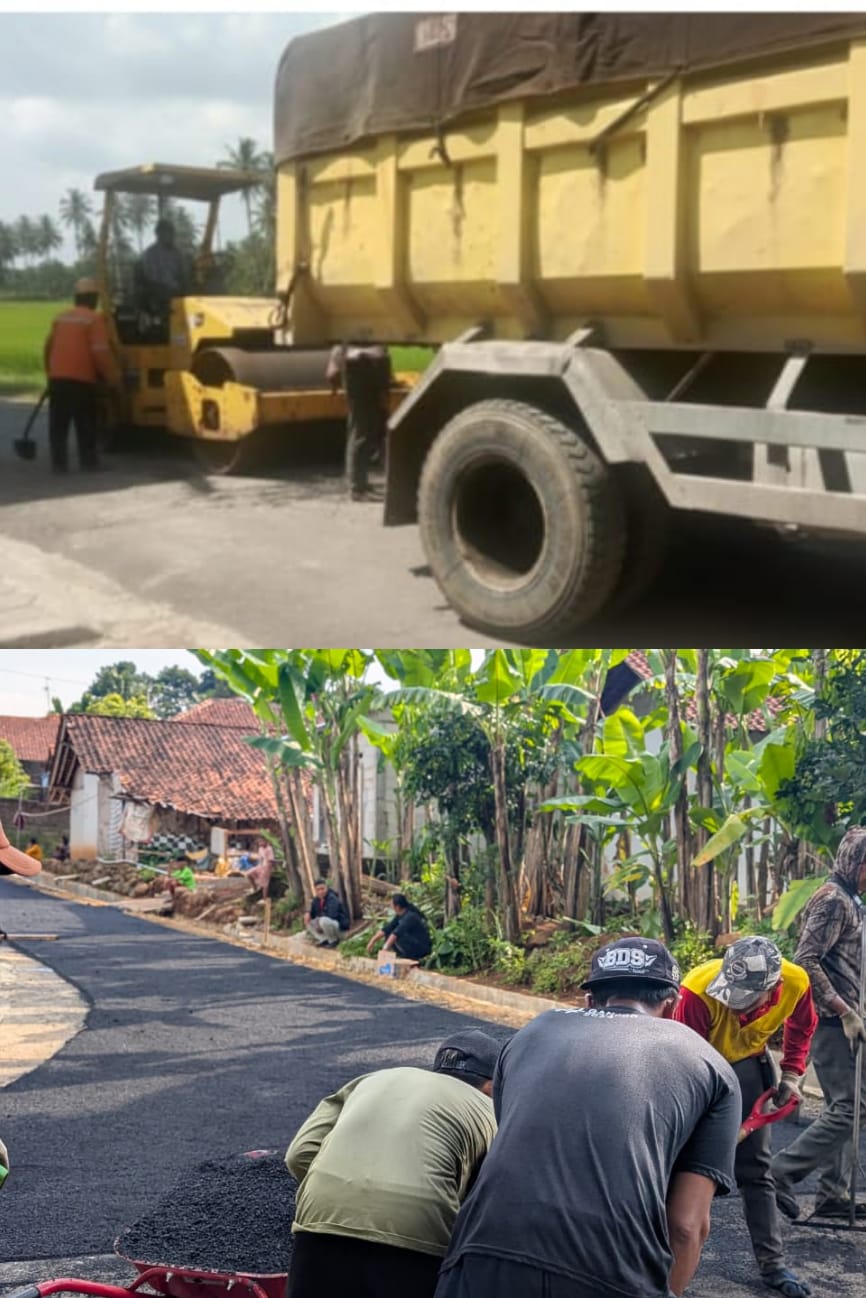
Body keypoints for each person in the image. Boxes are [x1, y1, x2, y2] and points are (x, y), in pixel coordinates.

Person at [434, 937, 740, 1298]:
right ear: (672, 1007)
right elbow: (687, 1226)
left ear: (589, 1001)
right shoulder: (710, 1066)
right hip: (611, 1272)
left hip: (481, 1258)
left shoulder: (528, 1035)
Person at [285, 1028, 501, 1298]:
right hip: (416, 1232)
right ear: (492, 1085)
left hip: (322, 1219)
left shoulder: (371, 1080)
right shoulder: (489, 1109)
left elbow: (299, 1153)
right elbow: (497, 1189)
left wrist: (345, 1190)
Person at [674, 935, 816, 1298]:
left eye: (746, 1000)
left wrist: (792, 1073)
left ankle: (773, 1265)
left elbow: (802, 1027)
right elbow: (685, 1061)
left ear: (774, 988)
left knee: (756, 1170)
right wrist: (710, 1129)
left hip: (749, 1065)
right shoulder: (697, 991)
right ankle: (658, 1257)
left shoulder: (796, 981)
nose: (735, 1007)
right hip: (697, 1067)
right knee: (678, 1166)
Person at [772, 826, 866, 1220]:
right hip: (830, 1021)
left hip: (848, 1018)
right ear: (855, 863)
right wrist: (843, 1010)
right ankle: (779, 1172)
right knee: (846, 1108)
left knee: (853, 1107)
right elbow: (804, 960)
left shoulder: (851, 898)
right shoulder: (832, 900)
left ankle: (832, 1195)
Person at [43, 277, 120, 472]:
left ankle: (58, 464)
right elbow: (100, 351)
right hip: (81, 380)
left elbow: (48, 348)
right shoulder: (94, 319)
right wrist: (113, 377)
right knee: (85, 422)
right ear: (93, 298)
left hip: (57, 380)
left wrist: (50, 374)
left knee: (58, 425)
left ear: (76, 298)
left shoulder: (60, 318)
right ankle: (88, 462)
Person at [326, 342, 392, 500]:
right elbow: (341, 337)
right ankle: (357, 487)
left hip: (377, 363)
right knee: (361, 428)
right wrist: (335, 361)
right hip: (358, 365)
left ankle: (361, 484)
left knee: (375, 426)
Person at [135, 218, 191, 323]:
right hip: (158, 290)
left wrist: (184, 283)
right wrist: (172, 286)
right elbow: (151, 276)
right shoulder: (151, 253)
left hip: (176, 289)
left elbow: (183, 272)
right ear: (158, 234)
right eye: (167, 232)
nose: (171, 235)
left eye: (172, 232)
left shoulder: (178, 253)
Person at [366, 892, 431, 963]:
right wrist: (372, 941)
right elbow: (387, 928)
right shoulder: (400, 915)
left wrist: (384, 950)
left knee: (396, 936)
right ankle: (399, 955)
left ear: (397, 906)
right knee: (389, 933)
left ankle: (410, 957)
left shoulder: (410, 917)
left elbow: (397, 933)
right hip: (412, 942)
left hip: (421, 946)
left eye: (391, 905)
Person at [306, 878, 350, 946]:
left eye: (322, 889)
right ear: (315, 890)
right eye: (318, 890)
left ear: (326, 888)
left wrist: (318, 921)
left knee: (323, 920)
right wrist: (308, 913)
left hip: (339, 930)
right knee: (308, 921)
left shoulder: (332, 898)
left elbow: (332, 915)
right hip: (327, 927)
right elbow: (313, 914)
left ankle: (333, 940)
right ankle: (324, 939)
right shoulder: (316, 900)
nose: (320, 891)